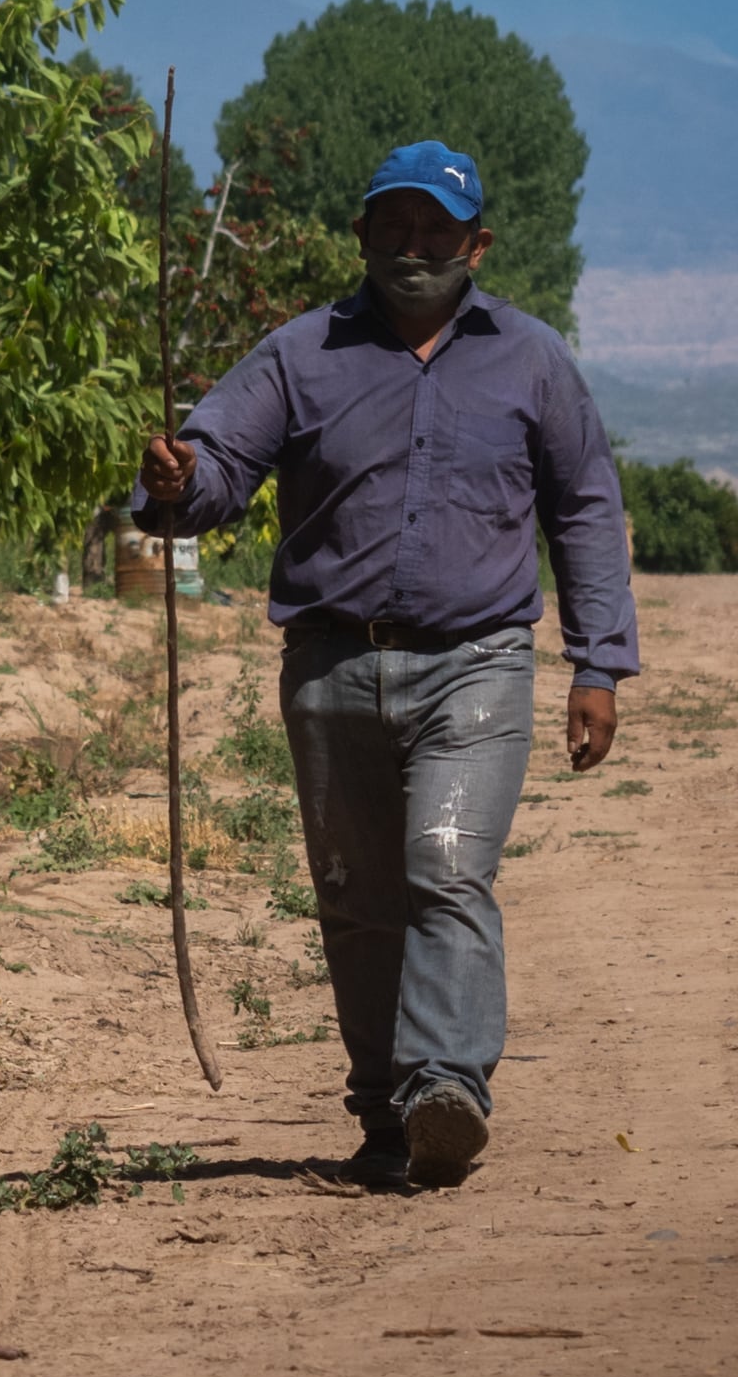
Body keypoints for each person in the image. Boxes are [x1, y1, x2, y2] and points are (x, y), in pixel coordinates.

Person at [135, 137, 635, 1191]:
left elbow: (584, 504)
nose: (413, 250)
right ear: (360, 235)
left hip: (476, 670)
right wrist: (179, 480)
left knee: (446, 870)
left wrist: (598, 664)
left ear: (477, 245)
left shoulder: (531, 361)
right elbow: (218, 466)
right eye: (392, 229)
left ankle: (445, 1085)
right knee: (358, 898)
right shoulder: (299, 353)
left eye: (435, 233)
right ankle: (381, 1112)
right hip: (330, 673)